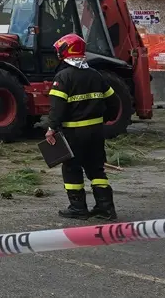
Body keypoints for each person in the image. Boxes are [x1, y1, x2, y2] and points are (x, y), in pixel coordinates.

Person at [46, 33, 120, 221]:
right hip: (96, 132)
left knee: (71, 168)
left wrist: (51, 128)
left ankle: (78, 208)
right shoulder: (96, 75)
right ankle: (106, 208)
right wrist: (104, 119)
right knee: (96, 169)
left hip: (73, 133)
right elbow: (114, 102)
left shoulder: (63, 77)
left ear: (65, 52)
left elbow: (57, 108)